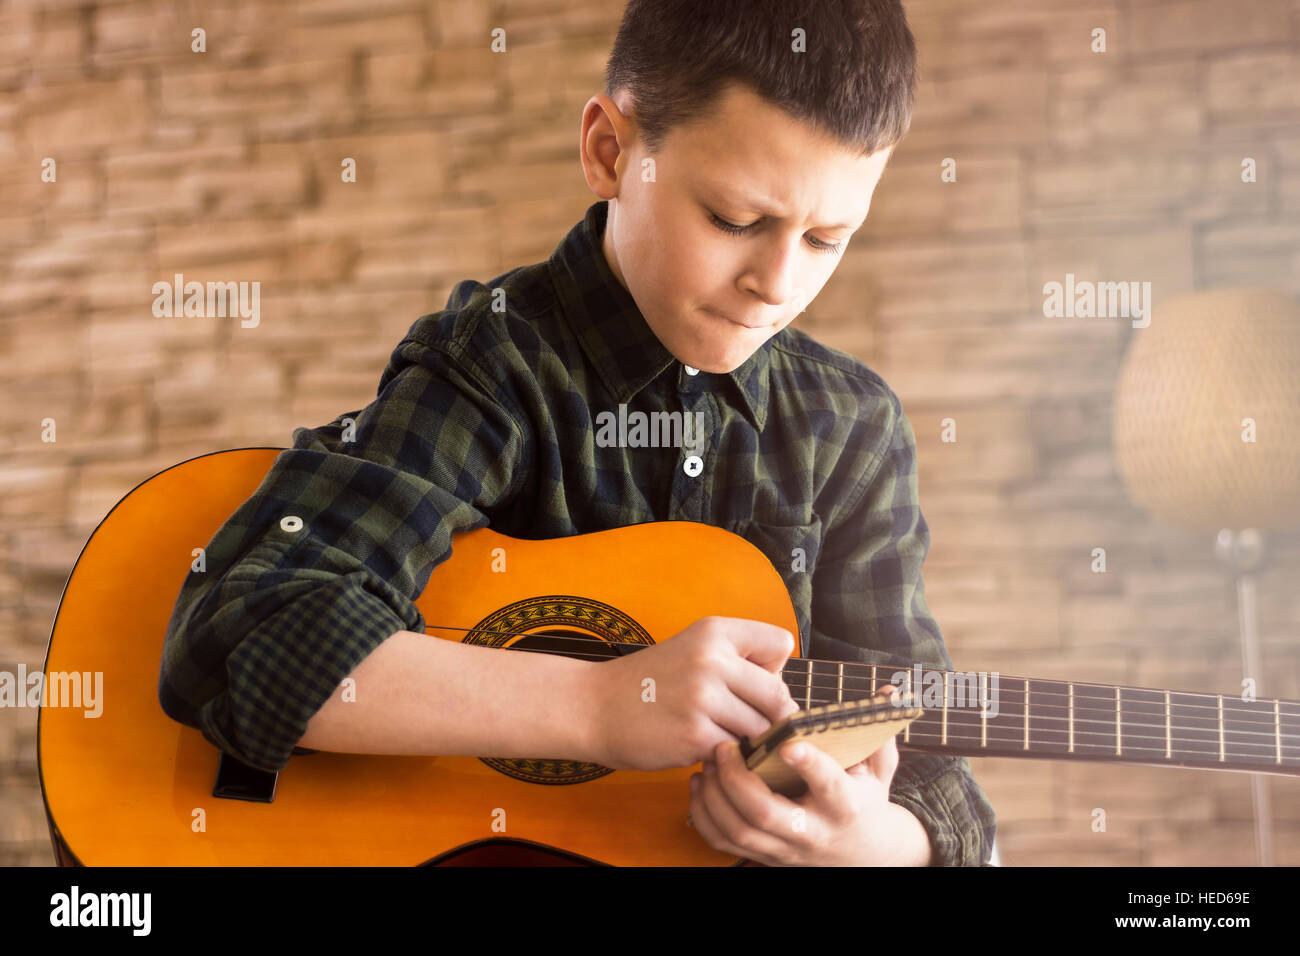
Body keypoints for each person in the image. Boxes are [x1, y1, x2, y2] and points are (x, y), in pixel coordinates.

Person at [159, 0, 997, 866]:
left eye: (828, 239)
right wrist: (603, 706)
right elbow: (238, 632)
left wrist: (877, 846)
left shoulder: (852, 431)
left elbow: (928, 765)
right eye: (734, 220)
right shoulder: (497, 358)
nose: (776, 285)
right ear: (611, 152)